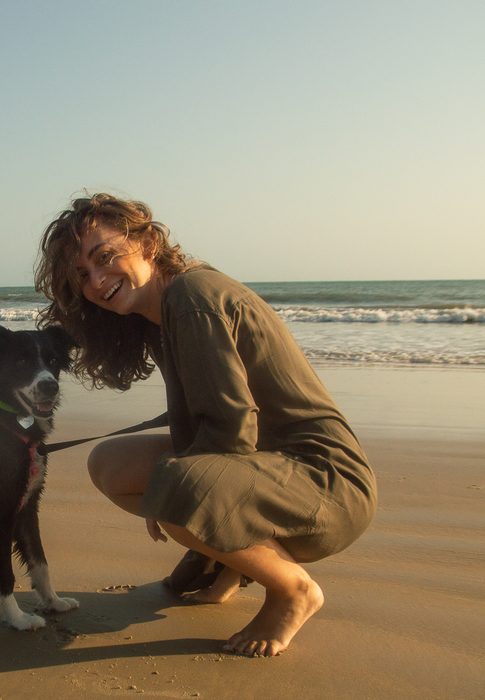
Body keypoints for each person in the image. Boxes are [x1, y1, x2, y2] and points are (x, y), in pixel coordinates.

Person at [34, 193, 376, 657]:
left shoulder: (192, 298)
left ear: (148, 244)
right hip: (272, 472)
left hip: (327, 487)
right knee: (109, 463)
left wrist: (175, 495)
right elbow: (198, 425)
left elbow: (231, 428)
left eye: (105, 257)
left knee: (175, 485)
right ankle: (229, 563)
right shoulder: (159, 312)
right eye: (82, 275)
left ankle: (292, 589)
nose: (96, 281)